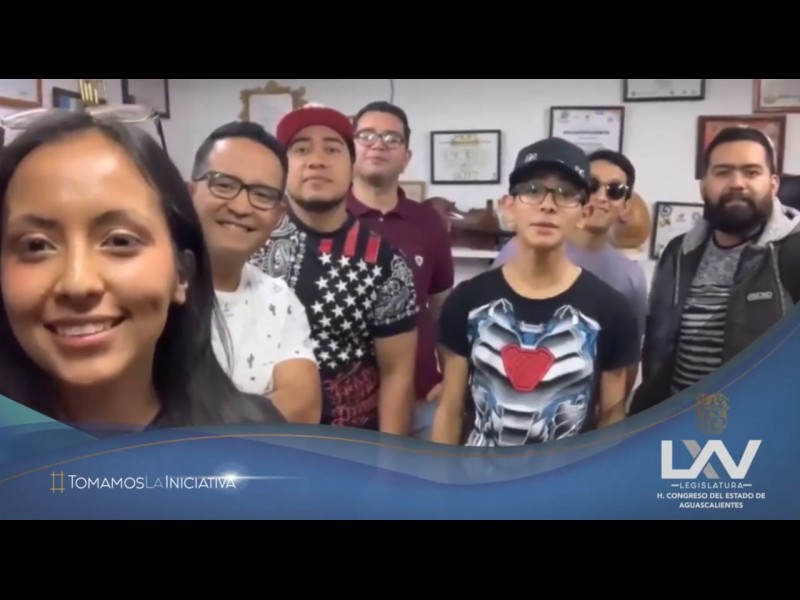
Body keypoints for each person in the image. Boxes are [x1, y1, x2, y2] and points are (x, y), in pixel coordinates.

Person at [0, 111, 285, 432]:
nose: (77, 283)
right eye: (36, 245)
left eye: (120, 241)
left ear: (181, 274)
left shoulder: (256, 439)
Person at [432, 137, 640, 446]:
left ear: (583, 213)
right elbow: (450, 412)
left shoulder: (611, 309)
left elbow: (611, 419)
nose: (548, 204)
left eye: (565, 194)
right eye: (532, 190)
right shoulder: (467, 300)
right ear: (509, 206)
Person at [249, 105, 419, 435]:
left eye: (331, 149)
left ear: (352, 164)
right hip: (255, 440)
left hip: (350, 447)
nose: (316, 160)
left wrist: (391, 461)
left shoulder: (386, 263)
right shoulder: (250, 245)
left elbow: (397, 374)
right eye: (301, 149)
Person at [630, 127, 800, 414]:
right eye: (723, 172)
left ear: (773, 185)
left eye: (751, 172)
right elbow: (658, 349)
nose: (737, 183)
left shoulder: (794, 251)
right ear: (703, 186)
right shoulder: (678, 252)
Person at [189, 121, 321, 424]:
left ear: (278, 215)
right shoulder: (151, 286)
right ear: (189, 192)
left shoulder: (279, 300)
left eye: (262, 194)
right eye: (223, 185)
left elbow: (304, 406)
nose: (240, 207)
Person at [493, 149, 648, 398]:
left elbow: (628, 357)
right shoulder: (519, 250)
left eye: (615, 190)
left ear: (625, 205)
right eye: (593, 185)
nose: (602, 197)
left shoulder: (630, 277)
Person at [347, 101, 454, 439]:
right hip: (346, 409)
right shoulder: (328, 217)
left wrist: (451, 380)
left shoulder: (428, 221)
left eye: (391, 138)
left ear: (406, 157)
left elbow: (442, 310)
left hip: (421, 400)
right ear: (350, 149)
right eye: (366, 135)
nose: (378, 144)